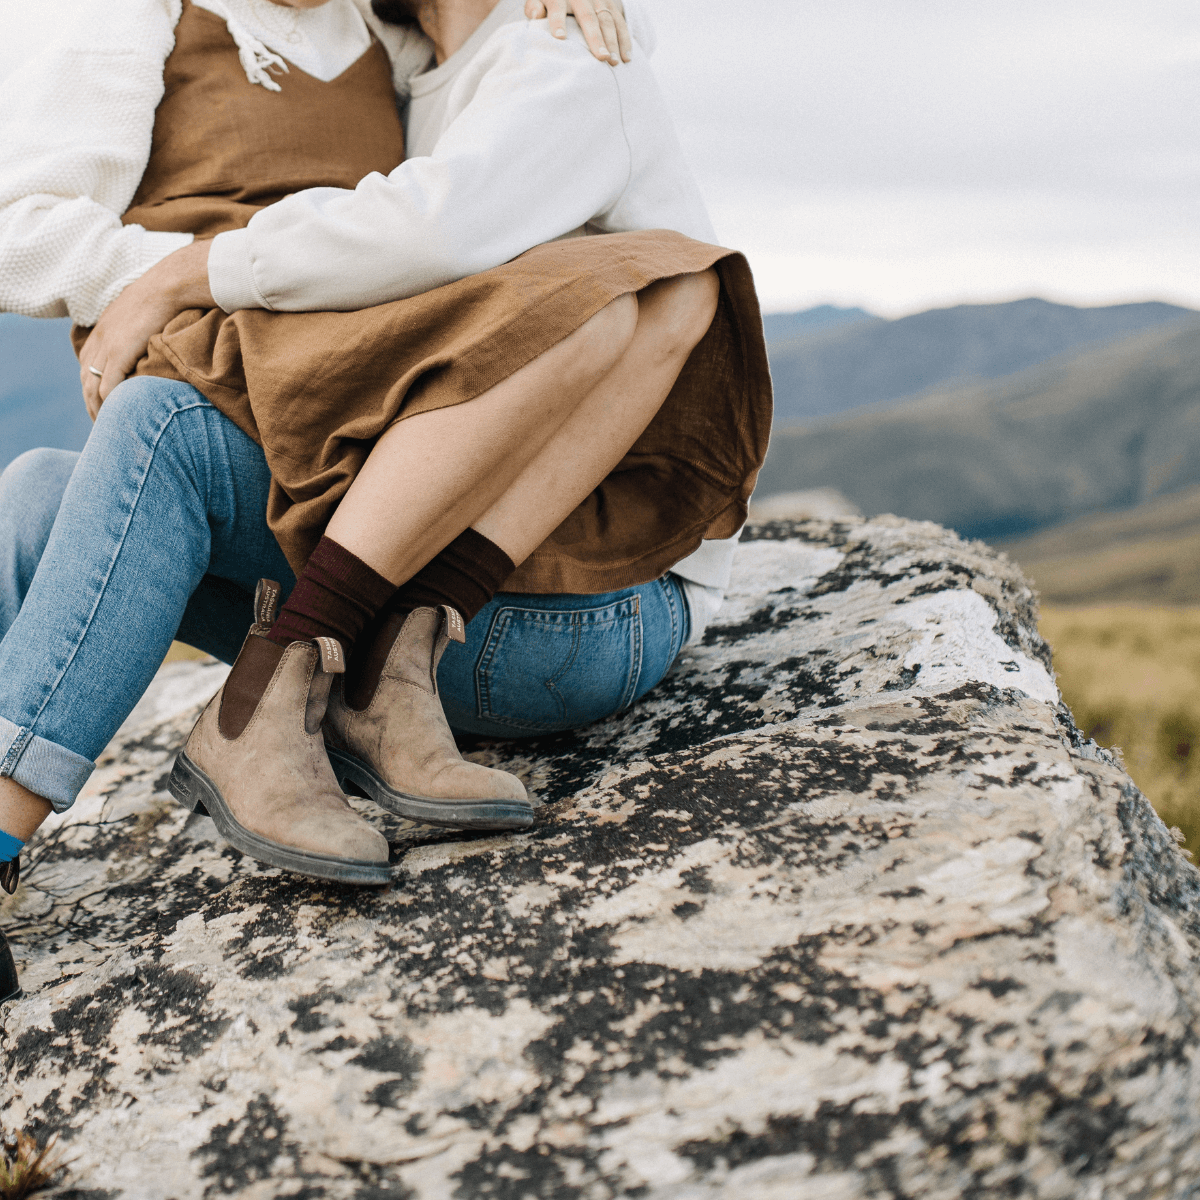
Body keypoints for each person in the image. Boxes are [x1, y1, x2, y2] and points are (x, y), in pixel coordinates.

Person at [0, 0, 771, 998]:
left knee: (163, 430)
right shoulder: (407, 57)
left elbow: (438, 224)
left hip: (583, 605)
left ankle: (251, 708)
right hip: (429, 552)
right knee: (42, 491)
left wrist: (192, 274)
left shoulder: (568, 50)